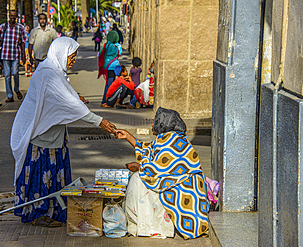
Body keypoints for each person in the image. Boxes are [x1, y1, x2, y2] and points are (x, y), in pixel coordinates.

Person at [11, 37, 117, 226]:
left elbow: (66, 92)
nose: (73, 60)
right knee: (42, 176)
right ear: (61, 54)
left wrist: (77, 96)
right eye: (72, 56)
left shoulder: (54, 70)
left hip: (54, 135)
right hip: (41, 136)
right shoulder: (47, 73)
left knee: (53, 177)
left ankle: (53, 211)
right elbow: (68, 102)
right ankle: (39, 214)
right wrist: (100, 121)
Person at [115, 107, 209, 239]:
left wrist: (139, 167)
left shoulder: (170, 141)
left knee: (138, 180)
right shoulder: (171, 138)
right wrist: (128, 136)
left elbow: (156, 171)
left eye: (155, 122)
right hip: (180, 183)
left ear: (163, 123)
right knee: (138, 177)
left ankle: (148, 227)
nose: (152, 125)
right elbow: (149, 150)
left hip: (183, 190)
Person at [0, 10, 27, 103]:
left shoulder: (20, 28)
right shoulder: (3, 27)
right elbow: (0, 40)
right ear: (9, 16)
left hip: (16, 54)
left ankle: (16, 89)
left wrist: (23, 55)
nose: (12, 18)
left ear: (17, 17)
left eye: (14, 16)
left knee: (15, 72)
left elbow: (22, 42)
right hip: (5, 54)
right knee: (7, 75)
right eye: (11, 16)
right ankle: (9, 95)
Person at [98, 31, 122, 107]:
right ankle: (106, 101)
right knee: (110, 85)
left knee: (108, 83)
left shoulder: (106, 45)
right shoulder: (117, 46)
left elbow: (99, 53)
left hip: (107, 67)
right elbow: (120, 52)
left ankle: (107, 100)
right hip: (114, 67)